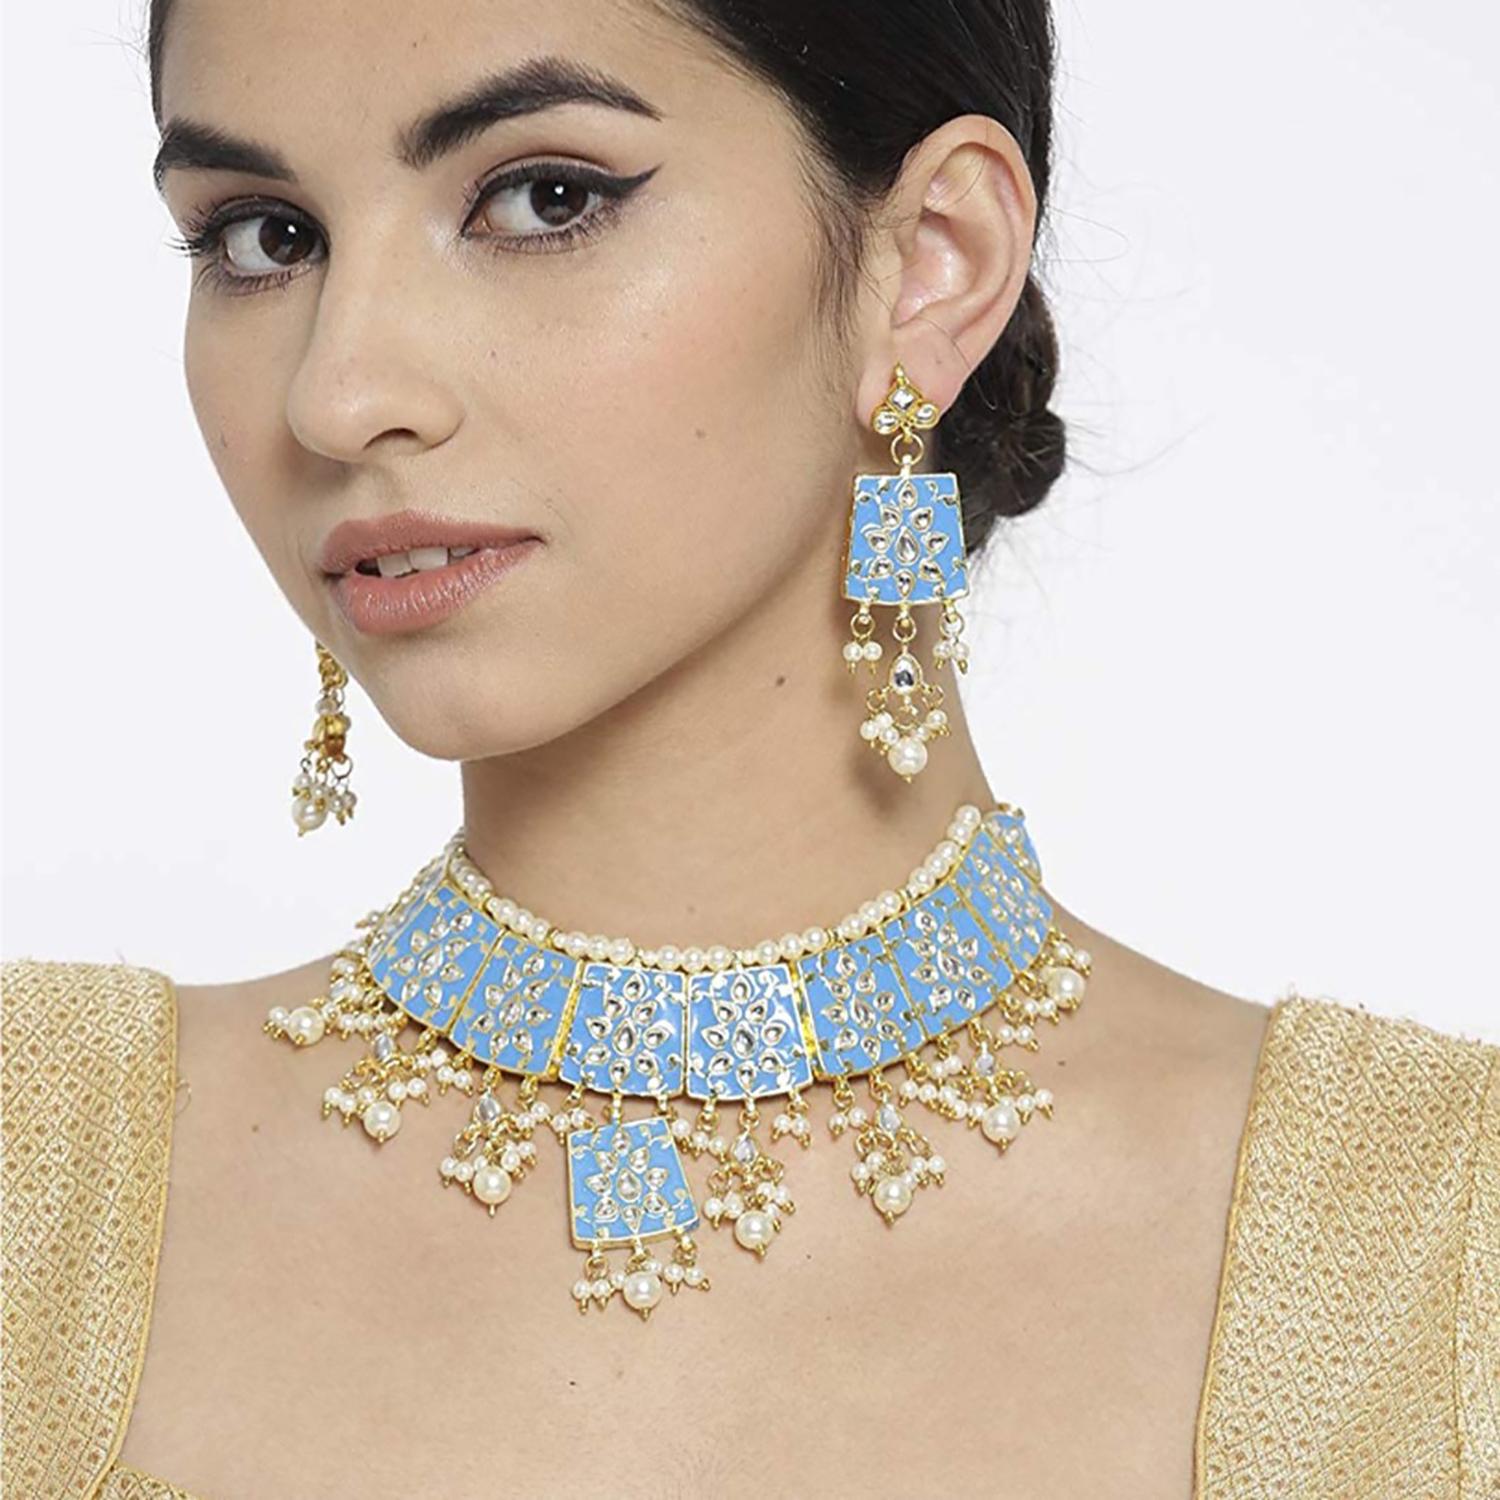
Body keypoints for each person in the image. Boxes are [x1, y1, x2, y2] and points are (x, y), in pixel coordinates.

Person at [3, 0, 1495, 1496]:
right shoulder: (38, 1174)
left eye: (544, 199)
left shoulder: (1435, 1259)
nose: (339, 397)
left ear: (934, 262)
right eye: (263, 236)